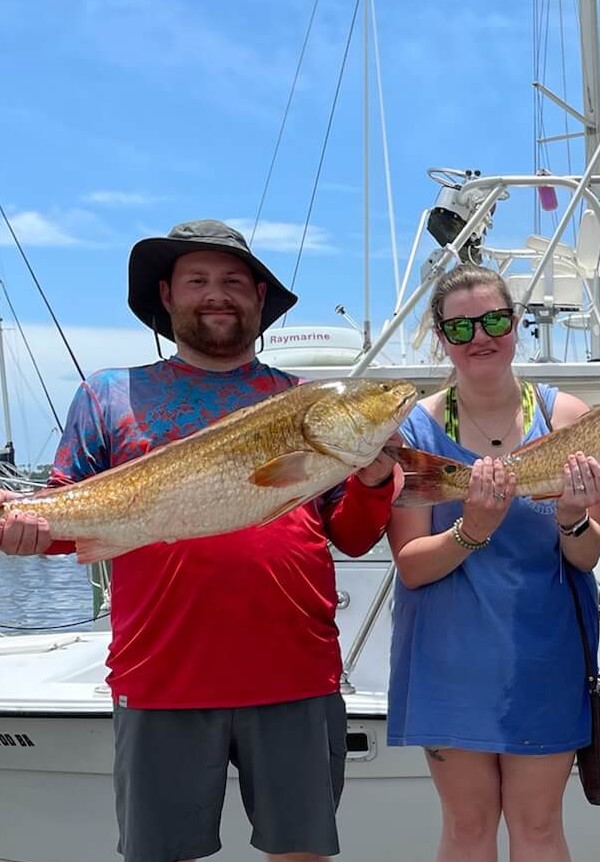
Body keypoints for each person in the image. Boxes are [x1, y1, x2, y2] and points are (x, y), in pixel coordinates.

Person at [0, 219, 399, 862]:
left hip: (296, 673)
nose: (217, 294)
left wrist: (376, 479)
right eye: (199, 280)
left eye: (234, 282)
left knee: (302, 854)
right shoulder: (108, 395)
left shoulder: (305, 404)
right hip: (162, 676)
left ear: (259, 299)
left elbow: (351, 537)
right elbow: (64, 518)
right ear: (167, 295)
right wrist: (24, 533)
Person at [387, 263, 600, 862]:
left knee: (539, 828)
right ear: (440, 337)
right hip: (448, 660)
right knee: (466, 827)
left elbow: (586, 555)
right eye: (460, 327)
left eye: (493, 320)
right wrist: (473, 530)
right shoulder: (413, 431)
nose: (479, 336)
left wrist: (571, 514)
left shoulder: (569, 420)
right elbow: (410, 565)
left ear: (515, 325)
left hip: (545, 655)